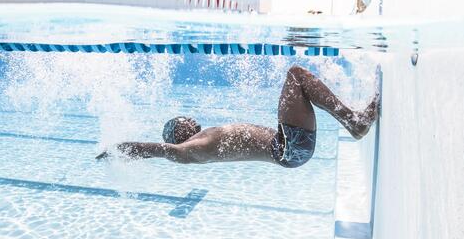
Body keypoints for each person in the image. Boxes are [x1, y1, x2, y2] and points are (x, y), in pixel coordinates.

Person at [96, 65, 379, 168]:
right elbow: (159, 150)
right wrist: (118, 150)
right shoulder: (192, 148)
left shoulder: (202, 139)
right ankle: (354, 123)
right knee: (296, 75)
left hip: (288, 146)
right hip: (289, 149)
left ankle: (353, 119)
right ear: (178, 131)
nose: (189, 118)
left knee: (297, 78)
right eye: (182, 119)